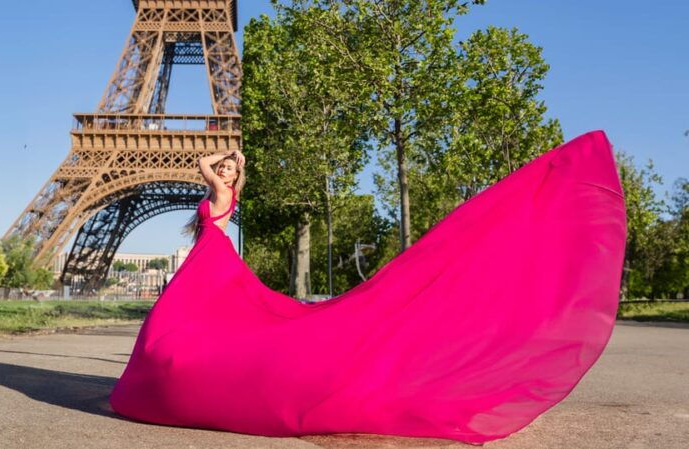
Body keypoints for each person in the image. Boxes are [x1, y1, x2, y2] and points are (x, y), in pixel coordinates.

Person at [109, 130, 627, 444]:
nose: (219, 179)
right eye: (219, 178)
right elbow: (210, 206)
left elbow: (208, 199)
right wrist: (227, 180)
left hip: (207, 282)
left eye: (226, 180)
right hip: (209, 279)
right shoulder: (216, 223)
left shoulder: (215, 217)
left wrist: (225, 180)